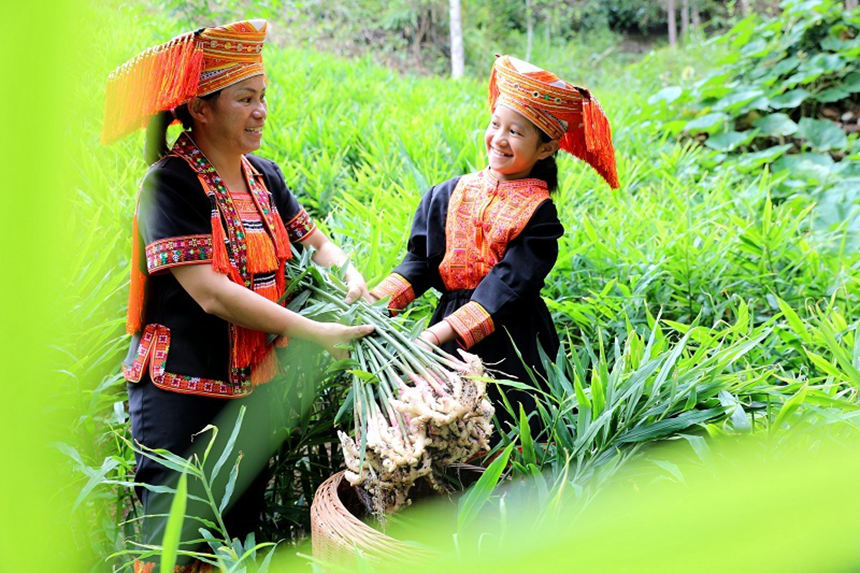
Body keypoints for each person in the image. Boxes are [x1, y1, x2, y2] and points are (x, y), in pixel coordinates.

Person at [102, 20, 373, 571]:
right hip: (180, 392)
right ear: (201, 108)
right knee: (178, 541)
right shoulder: (170, 183)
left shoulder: (263, 177)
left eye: (264, 98)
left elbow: (315, 241)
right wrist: (317, 332)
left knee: (234, 540)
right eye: (245, 99)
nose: (261, 111)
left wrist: (349, 272)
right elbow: (211, 294)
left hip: (249, 390)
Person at [370, 55, 619, 436]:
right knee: (441, 432)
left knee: (508, 433)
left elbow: (505, 288)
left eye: (516, 132)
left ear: (546, 148)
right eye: (495, 124)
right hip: (445, 336)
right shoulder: (447, 193)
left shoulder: (540, 218)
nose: (499, 139)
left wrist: (434, 336)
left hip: (513, 340)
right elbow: (420, 262)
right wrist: (374, 305)